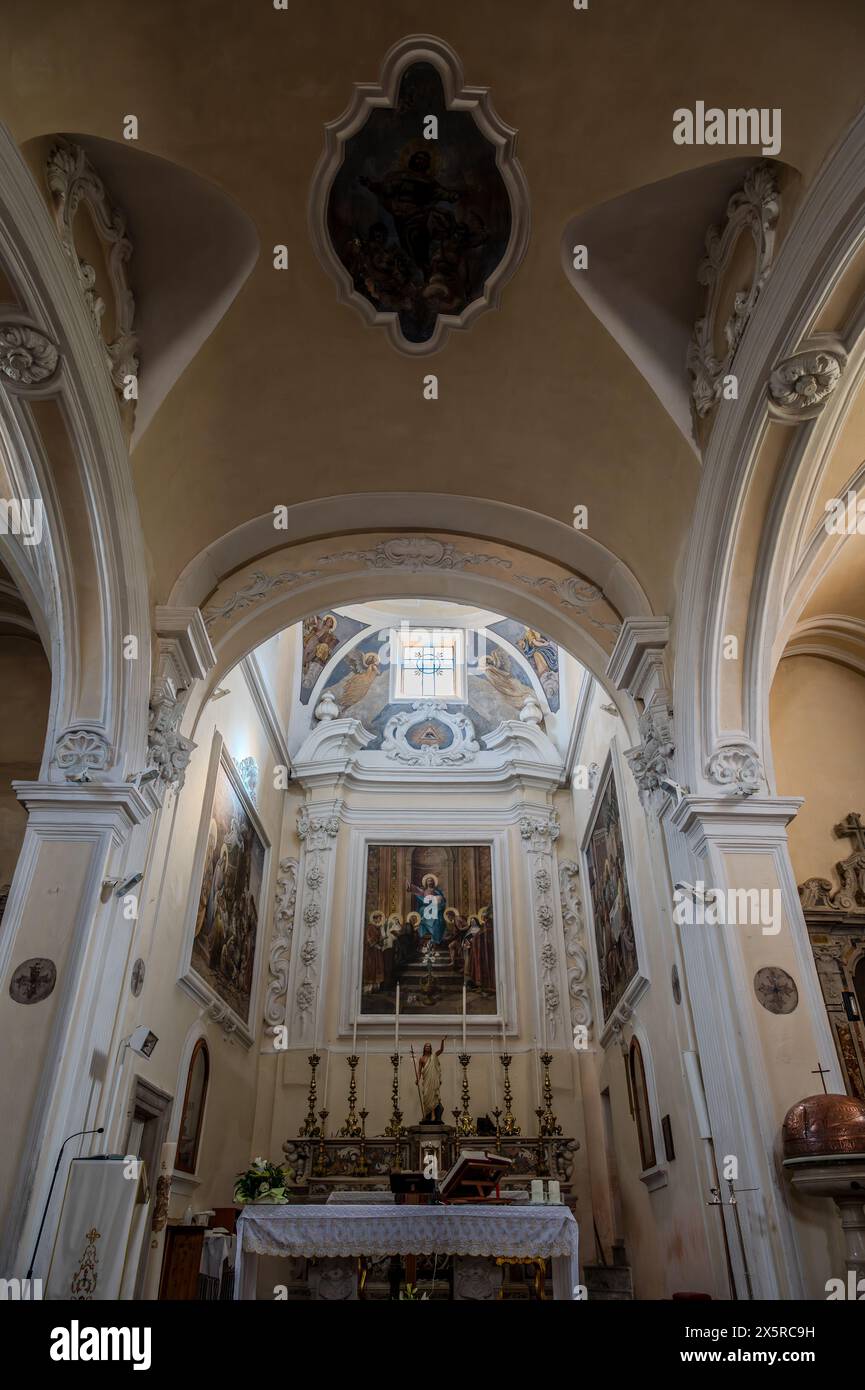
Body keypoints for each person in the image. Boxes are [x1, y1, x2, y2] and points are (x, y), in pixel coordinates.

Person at [415, 1039, 446, 1123]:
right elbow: (419, 1071)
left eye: (429, 1046)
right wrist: (417, 1079)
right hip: (426, 1081)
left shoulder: (434, 1056)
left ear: (430, 1048)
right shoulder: (421, 1059)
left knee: (433, 1097)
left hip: (433, 1080)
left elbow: (441, 1050)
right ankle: (427, 1114)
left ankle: (433, 1115)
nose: (427, 1047)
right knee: (426, 1096)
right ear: (424, 1048)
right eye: (426, 1046)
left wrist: (442, 1041)